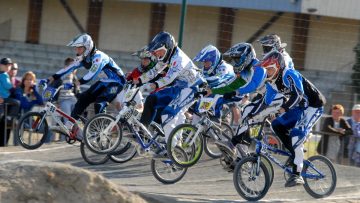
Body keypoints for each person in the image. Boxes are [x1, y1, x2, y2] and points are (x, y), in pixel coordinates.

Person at [259, 50, 326, 187]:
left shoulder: (289, 74)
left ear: (278, 66)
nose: (267, 73)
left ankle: (297, 175)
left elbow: (299, 95)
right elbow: (265, 102)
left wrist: (283, 109)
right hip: (300, 107)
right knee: (277, 125)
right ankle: (293, 153)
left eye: (269, 69)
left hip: (313, 106)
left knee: (296, 135)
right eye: (265, 70)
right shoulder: (271, 83)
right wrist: (252, 116)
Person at [43, 33, 126, 140]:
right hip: (104, 82)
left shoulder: (99, 57)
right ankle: (69, 126)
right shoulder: (83, 58)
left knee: (99, 103)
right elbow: (68, 68)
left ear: (87, 47)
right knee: (83, 98)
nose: (77, 51)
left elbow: (91, 74)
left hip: (117, 82)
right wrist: (50, 78)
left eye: (79, 48)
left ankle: (102, 132)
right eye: (76, 48)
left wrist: (76, 83)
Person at [139, 31, 205, 157]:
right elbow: (154, 71)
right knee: (153, 99)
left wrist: (153, 85)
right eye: (155, 51)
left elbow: (168, 78)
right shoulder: (167, 55)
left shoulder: (178, 58)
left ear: (167, 48)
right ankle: (175, 143)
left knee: (168, 114)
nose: (156, 54)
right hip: (180, 87)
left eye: (158, 51)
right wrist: (140, 80)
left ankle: (173, 149)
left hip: (192, 88)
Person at [193, 44, 236, 120]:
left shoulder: (225, 67)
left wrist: (200, 80)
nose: (205, 64)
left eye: (207, 62)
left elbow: (218, 79)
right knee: (197, 105)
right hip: (216, 91)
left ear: (214, 60)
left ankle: (219, 119)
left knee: (206, 103)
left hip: (231, 93)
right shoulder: (207, 68)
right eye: (204, 62)